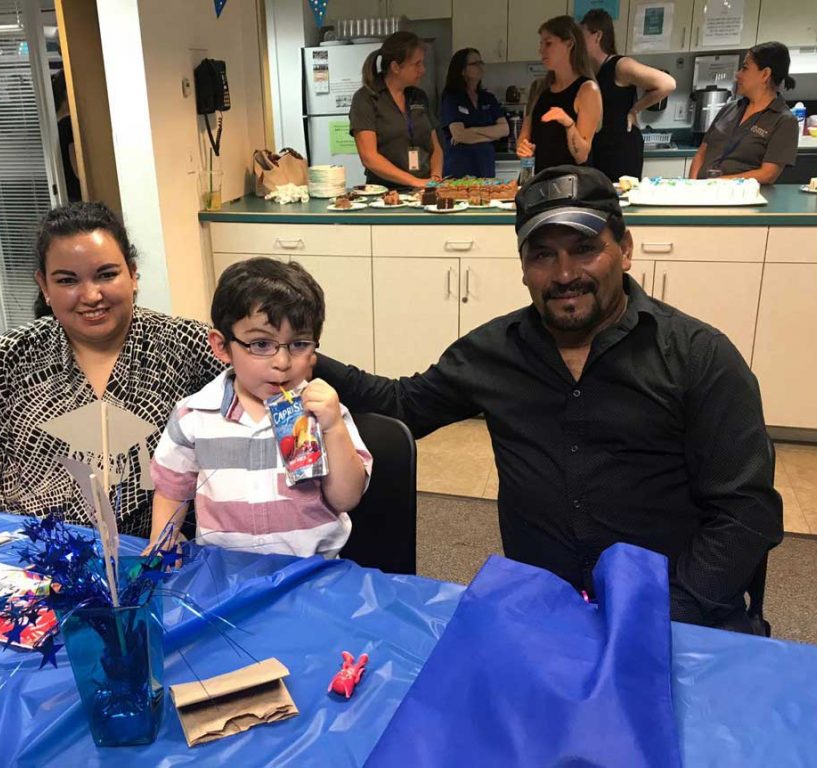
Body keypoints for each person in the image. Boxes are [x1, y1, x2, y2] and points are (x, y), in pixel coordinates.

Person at [315, 165, 783, 634]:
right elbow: (401, 404)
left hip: (678, 612)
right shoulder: (493, 352)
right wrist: (293, 353)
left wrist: (672, 611)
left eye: (584, 249)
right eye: (542, 255)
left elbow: (745, 512)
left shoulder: (698, 356)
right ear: (523, 268)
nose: (564, 274)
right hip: (544, 613)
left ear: (624, 251)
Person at [0, 202, 223, 537]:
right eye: (67, 280)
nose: (90, 295)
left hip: (145, 556)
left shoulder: (186, 345)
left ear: (132, 274)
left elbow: (270, 382)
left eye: (106, 274)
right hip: (18, 555)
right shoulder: (8, 357)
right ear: (44, 286)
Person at [148, 258, 372, 557]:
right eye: (261, 345)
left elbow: (346, 498)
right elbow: (172, 489)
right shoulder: (194, 416)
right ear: (222, 346)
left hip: (311, 573)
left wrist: (332, 427)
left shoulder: (324, 414)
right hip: (224, 573)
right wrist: (162, 543)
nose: (282, 362)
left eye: (299, 344)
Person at [580, 9, 677, 181]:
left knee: (623, 200)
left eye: (582, 35)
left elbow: (667, 84)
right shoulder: (590, 71)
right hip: (599, 148)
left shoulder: (621, 65)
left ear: (597, 36)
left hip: (621, 149)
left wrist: (635, 109)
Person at [689, 42, 799, 184]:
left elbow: (768, 174)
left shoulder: (784, 121)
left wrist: (716, 184)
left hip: (739, 198)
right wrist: (692, 186)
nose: (738, 74)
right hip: (703, 193)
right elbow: (701, 153)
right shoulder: (729, 108)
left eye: (745, 68)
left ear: (765, 74)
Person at [349, 31, 443, 189]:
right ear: (395, 67)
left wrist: (435, 178)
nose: (423, 70)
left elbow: (436, 147)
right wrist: (415, 182)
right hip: (384, 194)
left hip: (424, 190)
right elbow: (369, 157)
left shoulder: (418, 96)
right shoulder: (366, 98)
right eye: (417, 64)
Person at [517, 16, 601, 173]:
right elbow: (524, 136)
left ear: (569, 44)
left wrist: (568, 123)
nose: (541, 50)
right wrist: (523, 148)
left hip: (573, 187)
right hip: (542, 184)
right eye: (540, 44)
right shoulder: (539, 88)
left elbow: (581, 155)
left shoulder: (587, 90)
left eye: (548, 43)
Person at [438, 48, 510, 179]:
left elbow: (504, 130)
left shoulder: (488, 98)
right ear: (462, 70)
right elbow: (459, 134)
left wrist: (471, 130)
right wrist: (492, 135)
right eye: (474, 63)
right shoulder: (452, 97)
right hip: (460, 167)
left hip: (485, 166)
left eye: (481, 62)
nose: (480, 66)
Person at [52, 70, 82, 203]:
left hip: (65, 191)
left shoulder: (53, 126)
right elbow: (78, 169)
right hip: (76, 194)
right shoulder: (68, 124)